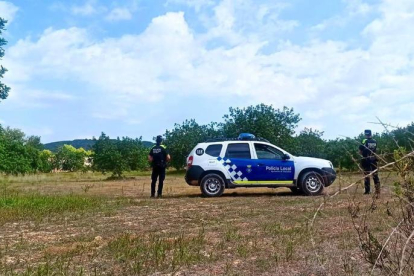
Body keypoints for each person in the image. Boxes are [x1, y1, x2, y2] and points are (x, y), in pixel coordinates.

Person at [359, 129, 380, 196]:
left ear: (365, 134)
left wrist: (362, 154)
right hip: (373, 159)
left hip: (366, 160)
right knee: (375, 175)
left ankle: (367, 191)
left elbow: (360, 150)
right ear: (371, 134)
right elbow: (375, 150)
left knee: (367, 176)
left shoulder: (364, 141)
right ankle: (377, 190)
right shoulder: (375, 141)